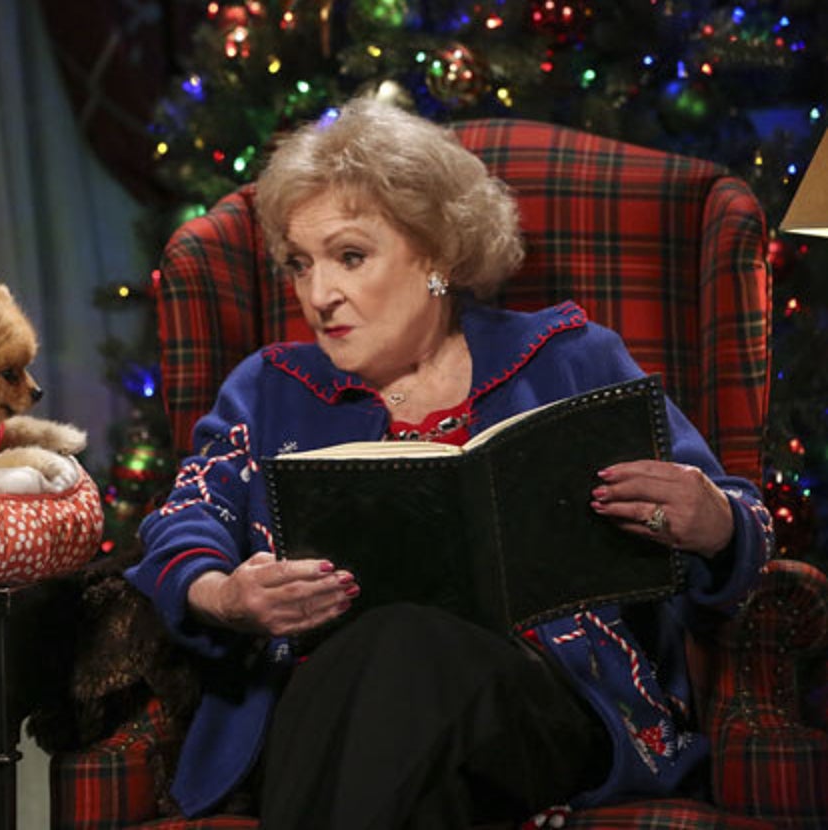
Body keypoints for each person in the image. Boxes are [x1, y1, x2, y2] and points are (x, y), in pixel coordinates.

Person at [125, 97, 773, 829]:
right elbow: (182, 522)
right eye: (299, 265)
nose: (318, 295)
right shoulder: (267, 390)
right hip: (325, 714)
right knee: (397, 717)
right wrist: (225, 597)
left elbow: (743, 521)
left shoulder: (571, 360)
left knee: (407, 645)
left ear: (436, 254)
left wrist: (712, 519)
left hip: (543, 707)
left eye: (349, 257)